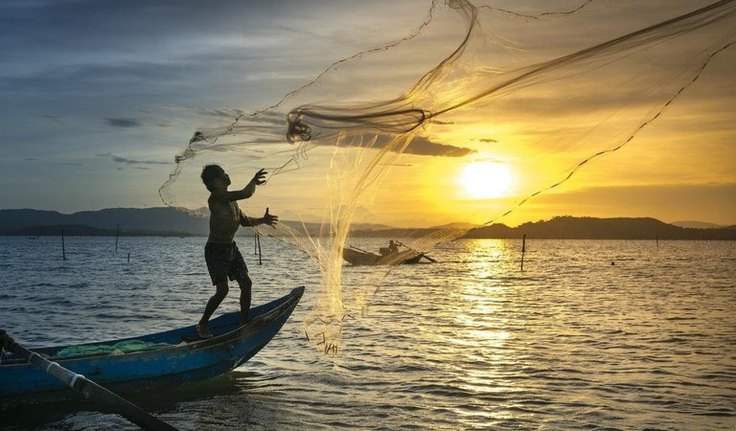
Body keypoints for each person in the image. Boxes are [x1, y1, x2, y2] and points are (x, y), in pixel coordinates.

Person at [196, 164, 278, 339]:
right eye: (223, 174)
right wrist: (254, 181)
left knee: (246, 284)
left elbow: (245, 221)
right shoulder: (217, 197)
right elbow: (247, 193)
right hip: (216, 250)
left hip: (231, 248)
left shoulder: (232, 201)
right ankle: (202, 324)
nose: (227, 175)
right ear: (215, 182)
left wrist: (262, 220)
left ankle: (243, 323)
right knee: (223, 290)